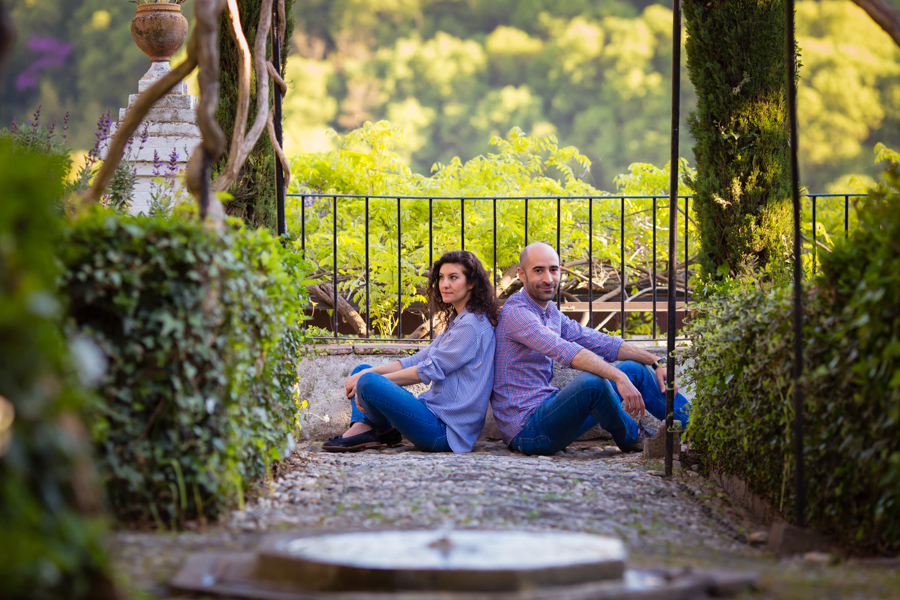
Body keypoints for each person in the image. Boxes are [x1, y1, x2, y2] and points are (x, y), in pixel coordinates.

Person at [491, 242, 691, 455]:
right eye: (538, 270)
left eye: (554, 269)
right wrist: (618, 377)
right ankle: (634, 437)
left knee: (635, 370)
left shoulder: (549, 311)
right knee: (593, 383)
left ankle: (695, 430)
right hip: (527, 431)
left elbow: (594, 340)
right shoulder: (517, 314)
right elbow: (567, 352)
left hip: (550, 408)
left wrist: (655, 360)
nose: (548, 279)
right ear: (521, 274)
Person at [323, 250, 499, 453]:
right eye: (441, 277)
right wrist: (366, 375)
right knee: (362, 370)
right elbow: (417, 360)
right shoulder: (460, 321)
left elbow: (427, 370)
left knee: (368, 381)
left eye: (453, 277)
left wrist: (369, 383)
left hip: (445, 431)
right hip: (431, 414)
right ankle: (371, 430)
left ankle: (372, 429)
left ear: (471, 283)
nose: (445, 284)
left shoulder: (471, 326)